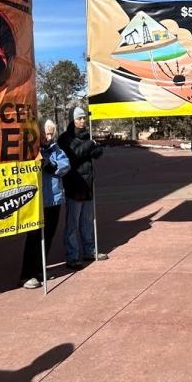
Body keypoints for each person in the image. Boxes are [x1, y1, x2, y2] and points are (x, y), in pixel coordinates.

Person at [19, 119, 70, 289]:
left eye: (51, 133)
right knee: (34, 237)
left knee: (48, 236)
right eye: (45, 132)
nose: (48, 136)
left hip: (54, 199)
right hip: (37, 200)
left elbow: (65, 165)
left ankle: (41, 269)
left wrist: (52, 165)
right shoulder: (33, 149)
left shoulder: (55, 149)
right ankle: (27, 274)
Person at [59, 107, 107, 268]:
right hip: (74, 185)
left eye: (83, 118)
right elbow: (75, 154)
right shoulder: (65, 139)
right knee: (72, 223)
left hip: (87, 184)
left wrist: (96, 147)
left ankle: (89, 251)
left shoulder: (88, 135)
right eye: (78, 118)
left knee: (87, 221)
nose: (82, 121)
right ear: (72, 120)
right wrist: (90, 144)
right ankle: (72, 256)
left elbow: (97, 152)